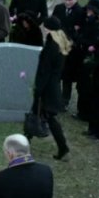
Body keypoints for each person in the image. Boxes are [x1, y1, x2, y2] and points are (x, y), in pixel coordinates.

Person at [33, 17, 73, 160]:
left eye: (45, 27)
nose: (44, 30)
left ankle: (63, 147)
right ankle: (28, 140)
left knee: (49, 117)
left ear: (49, 29)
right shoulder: (59, 42)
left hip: (48, 87)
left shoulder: (52, 46)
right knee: (46, 116)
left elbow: (45, 70)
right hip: (53, 85)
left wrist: (38, 89)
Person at [52, 0, 85, 111]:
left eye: (70, 0)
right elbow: (54, 25)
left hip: (71, 50)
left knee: (67, 76)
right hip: (57, 45)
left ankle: (64, 100)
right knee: (57, 73)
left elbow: (79, 31)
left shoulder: (80, 12)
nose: (67, 2)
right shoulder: (59, 8)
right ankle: (55, 97)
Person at [74, 0, 99, 121]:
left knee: (86, 88)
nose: (88, 12)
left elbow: (93, 41)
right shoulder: (86, 20)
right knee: (81, 86)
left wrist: (82, 40)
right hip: (81, 56)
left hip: (89, 59)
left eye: (91, 10)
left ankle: (85, 113)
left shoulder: (97, 24)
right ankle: (81, 111)